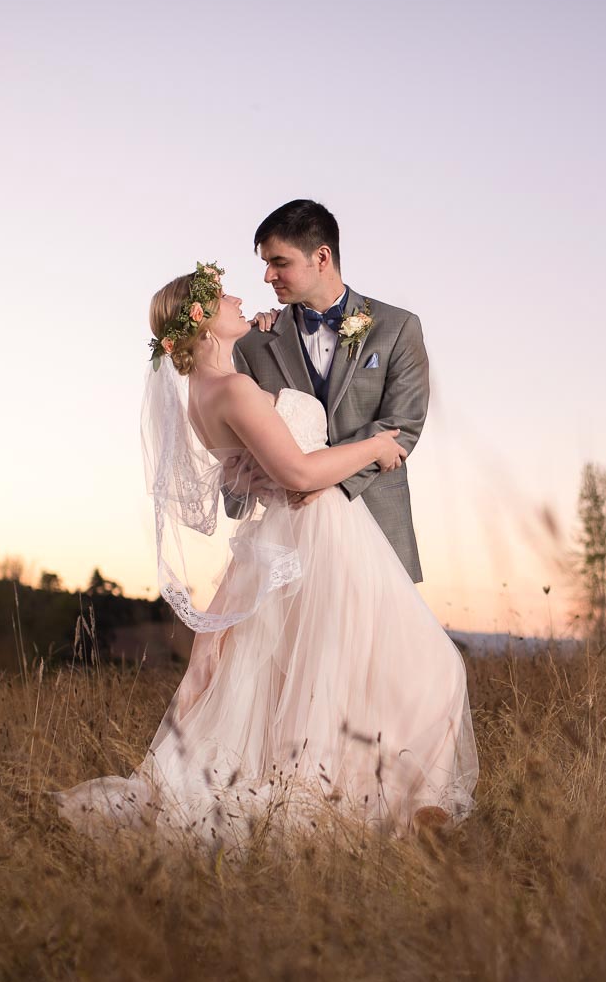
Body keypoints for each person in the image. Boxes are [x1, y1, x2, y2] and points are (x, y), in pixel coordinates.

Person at [49, 261, 476, 851]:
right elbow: (299, 471)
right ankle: (367, 807)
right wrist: (375, 445)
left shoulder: (208, 389)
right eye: (225, 298)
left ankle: (395, 808)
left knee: (321, 677)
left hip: (284, 537)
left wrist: (260, 332)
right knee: (422, 667)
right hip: (316, 531)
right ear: (200, 319)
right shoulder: (232, 389)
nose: (241, 298)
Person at [227, 199, 429, 583]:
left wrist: (321, 474)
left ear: (321, 257)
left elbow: (403, 425)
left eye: (279, 262)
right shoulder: (253, 345)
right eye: (266, 264)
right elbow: (243, 442)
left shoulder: (397, 327)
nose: (268, 276)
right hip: (292, 541)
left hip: (377, 526)